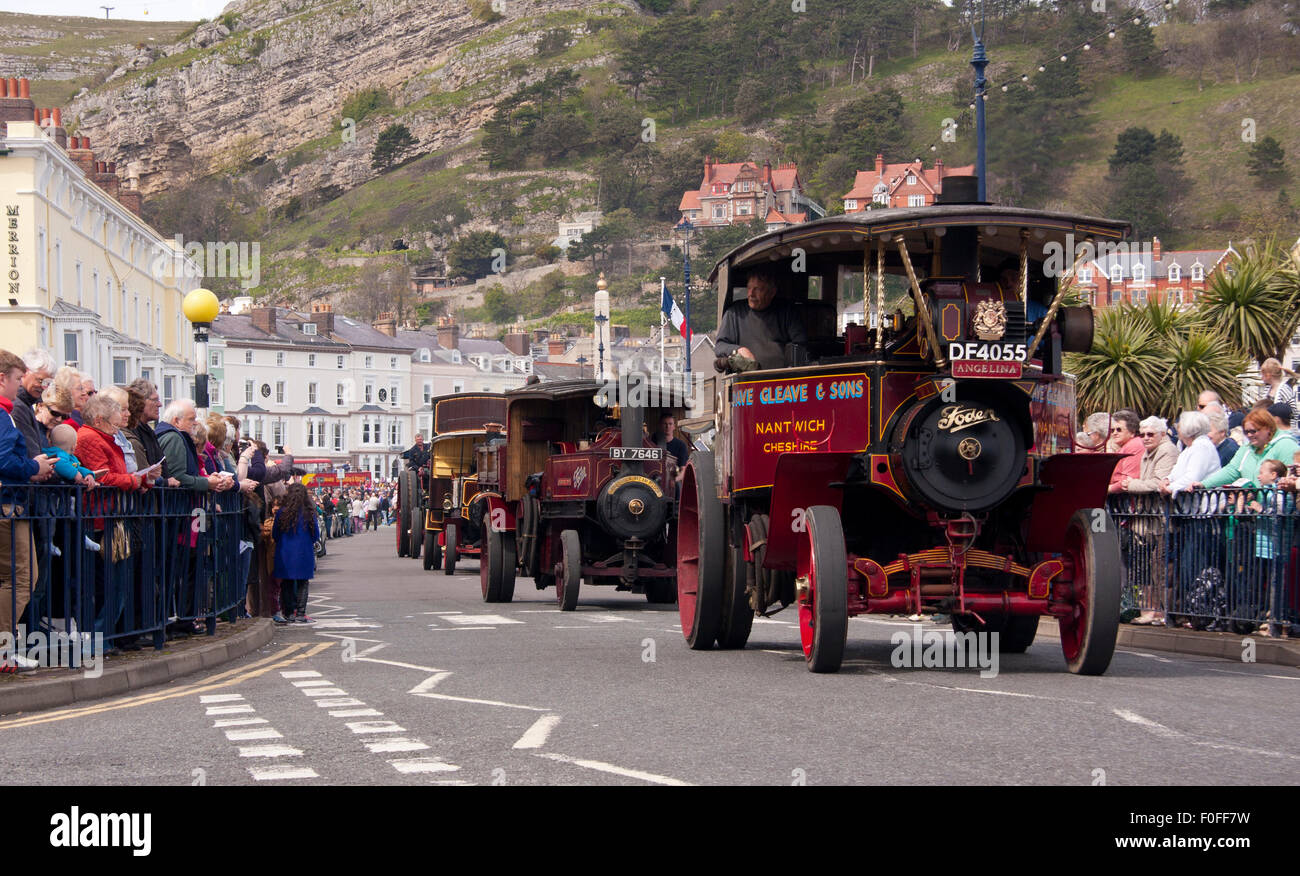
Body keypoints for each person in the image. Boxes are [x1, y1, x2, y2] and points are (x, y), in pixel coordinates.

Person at [0, 350, 55, 667]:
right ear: (2, 378)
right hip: (9, 506)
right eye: (18, 378)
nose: (20, 385)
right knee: (22, 579)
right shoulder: (3, 413)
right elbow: (5, 460)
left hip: (10, 504)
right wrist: (32, 465)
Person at [715, 270, 809, 372]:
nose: (751, 294)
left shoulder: (787, 311)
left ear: (772, 292)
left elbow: (800, 344)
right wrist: (739, 350)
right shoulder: (734, 313)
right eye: (749, 288)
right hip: (745, 382)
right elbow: (720, 346)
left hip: (782, 381)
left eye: (757, 289)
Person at [1194, 408, 1300, 490]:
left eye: (1253, 431)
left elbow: (1290, 478)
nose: (1249, 435)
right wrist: (1204, 484)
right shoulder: (1248, 447)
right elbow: (1231, 471)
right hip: (1251, 510)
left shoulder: (1286, 445)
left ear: (1267, 428)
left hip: (1277, 511)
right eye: (1246, 432)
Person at [273, 483, 318, 624]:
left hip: (285, 552)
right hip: (304, 552)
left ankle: (289, 613)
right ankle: (300, 613)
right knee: (303, 583)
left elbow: (275, 533)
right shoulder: (309, 513)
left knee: (286, 583)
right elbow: (315, 534)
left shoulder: (282, 512)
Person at [1161, 411, 1221, 496]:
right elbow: (1177, 470)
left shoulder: (1202, 447)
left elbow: (1193, 477)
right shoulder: (1190, 447)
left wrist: (1170, 488)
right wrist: (1167, 480)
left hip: (1205, 503)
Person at [11, 348, 54, 458]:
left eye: (47, 383)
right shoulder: (18, 406)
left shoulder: (26, 403)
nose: (43, 387)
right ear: (25, 373)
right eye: (40, 380)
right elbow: (30, 452)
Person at [1120, 416, 1178, 492]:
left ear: (1163, 434)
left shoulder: (1167, 449)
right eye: (1142, 435)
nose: (1146, 438)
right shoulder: (1150, 450)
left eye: (1150, 434)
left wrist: (1132, 484)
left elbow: (1158, 483)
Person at [1106, 410, 1143, 493]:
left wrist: (1105, 490)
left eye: (1119, 430)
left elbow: (1127, 480)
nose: (1114, 433)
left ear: (1132, 432)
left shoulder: (1134, 445)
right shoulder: (1124, 446)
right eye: (1112, 430)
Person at [1200, 403, 1239, 468]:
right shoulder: (1213, 447)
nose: (1205, 435)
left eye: (1209, 431)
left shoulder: (1230, 450)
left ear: (1222, 432)